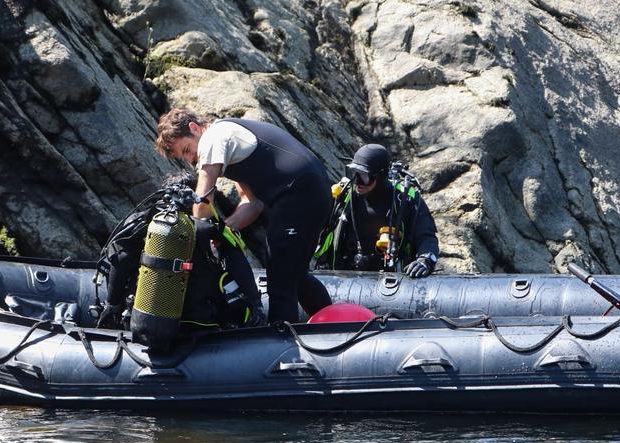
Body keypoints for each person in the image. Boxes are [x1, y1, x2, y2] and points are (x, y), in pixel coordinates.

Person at [156, 108, 332, 322]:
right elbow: (253, 204)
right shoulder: (232, 141)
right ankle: (335, 325)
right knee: (295, 274)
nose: (189, 158)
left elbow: (202, 199)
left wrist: (194, 240)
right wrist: (224, 231)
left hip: (298, 192)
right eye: (183, 156)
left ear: (194, 128)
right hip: (313, 190)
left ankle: (281, 346)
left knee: (279, 279)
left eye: (186, 149)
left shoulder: (213, 137)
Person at [313, 144, 439, 278]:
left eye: (365, 176)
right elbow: (311, 225)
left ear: (380, 175)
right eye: (354, 173)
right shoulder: (343, 196)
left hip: (388, 282)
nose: (358, 181)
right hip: (342, 279)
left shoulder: (405, 200)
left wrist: (425, 260)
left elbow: (427, 236)